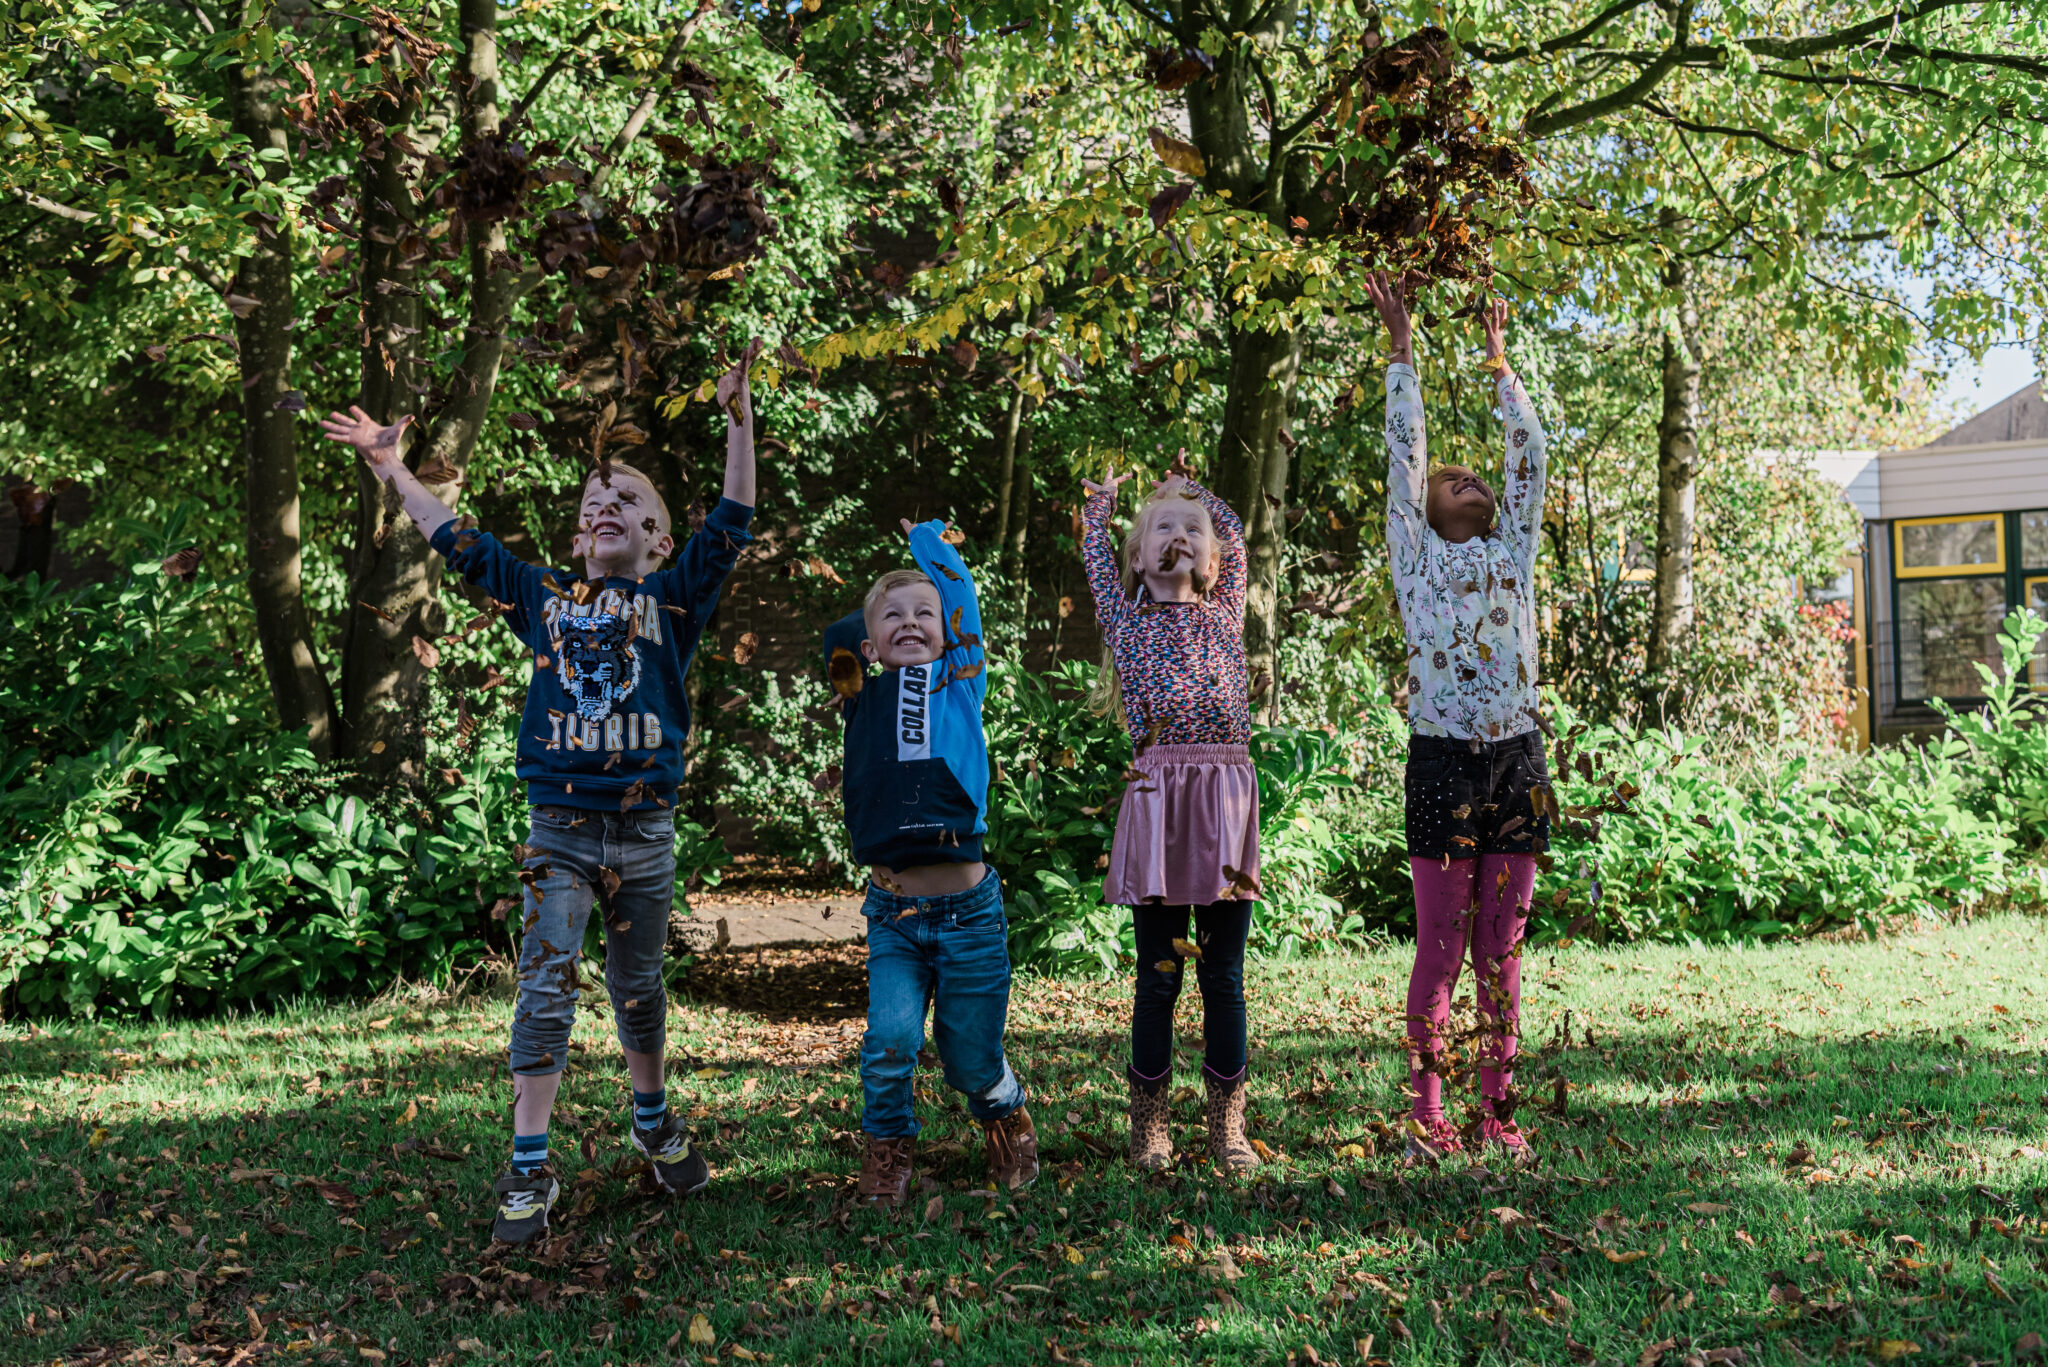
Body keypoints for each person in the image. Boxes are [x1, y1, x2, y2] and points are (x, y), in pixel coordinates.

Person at [319, 353, 757, 1242]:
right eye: (594, 501)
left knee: (637, 988)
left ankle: (651, 1117)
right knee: (545, 987)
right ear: (574, 538)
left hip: (645, 833)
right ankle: (527, 1169)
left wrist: (740, 419)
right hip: (557, 828)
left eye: (630, 502)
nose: (607, 507)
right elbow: (457, 540)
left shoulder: (674, 598)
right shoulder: (543, 596)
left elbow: (735, 518)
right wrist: (391, 467)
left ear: (661, 541)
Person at [1364, 271, 1551, 1166]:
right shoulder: (1415, 559)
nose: (1468, 479)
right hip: (1441, 761)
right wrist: (1403, 358)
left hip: (1520, 761)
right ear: (1427, 515)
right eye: (1451, 479)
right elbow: (1404, 462)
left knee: (1502, 949)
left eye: (1479, 477)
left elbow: (1532, 454)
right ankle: (1426, 1117)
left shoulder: (1513, 549)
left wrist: (1499, 364)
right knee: (1439, 946)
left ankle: (1499, 1113)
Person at [821, 519, 1036, 1206]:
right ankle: (887, 1150)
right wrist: (875, 613)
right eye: (893, 616)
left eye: (925, 614)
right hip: (893, 913)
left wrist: (926, 549)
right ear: (868, 640)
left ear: (948, 632)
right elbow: (838, 634)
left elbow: (960, 601)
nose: (912, 622)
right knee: (888, 1040)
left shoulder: (959, 679)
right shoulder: (859, 697)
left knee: (969, 1055)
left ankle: (1005, 1112)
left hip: (969, 914)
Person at [1080, 454, 1260, 1174]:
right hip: (1157, 800)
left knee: (1223, 972)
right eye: (1161, 528)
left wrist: (1197, 490)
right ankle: (1149, 1125)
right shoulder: (1125, 621)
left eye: (1192, 528)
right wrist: (1102, 506)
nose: (1179, 535)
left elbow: (1240, 531)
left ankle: (1228, 1125)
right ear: (1138, 555)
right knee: (1158, 974)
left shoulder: (1227, 610)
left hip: (1223, 800)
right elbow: (1095, 557)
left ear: (1213, 560)